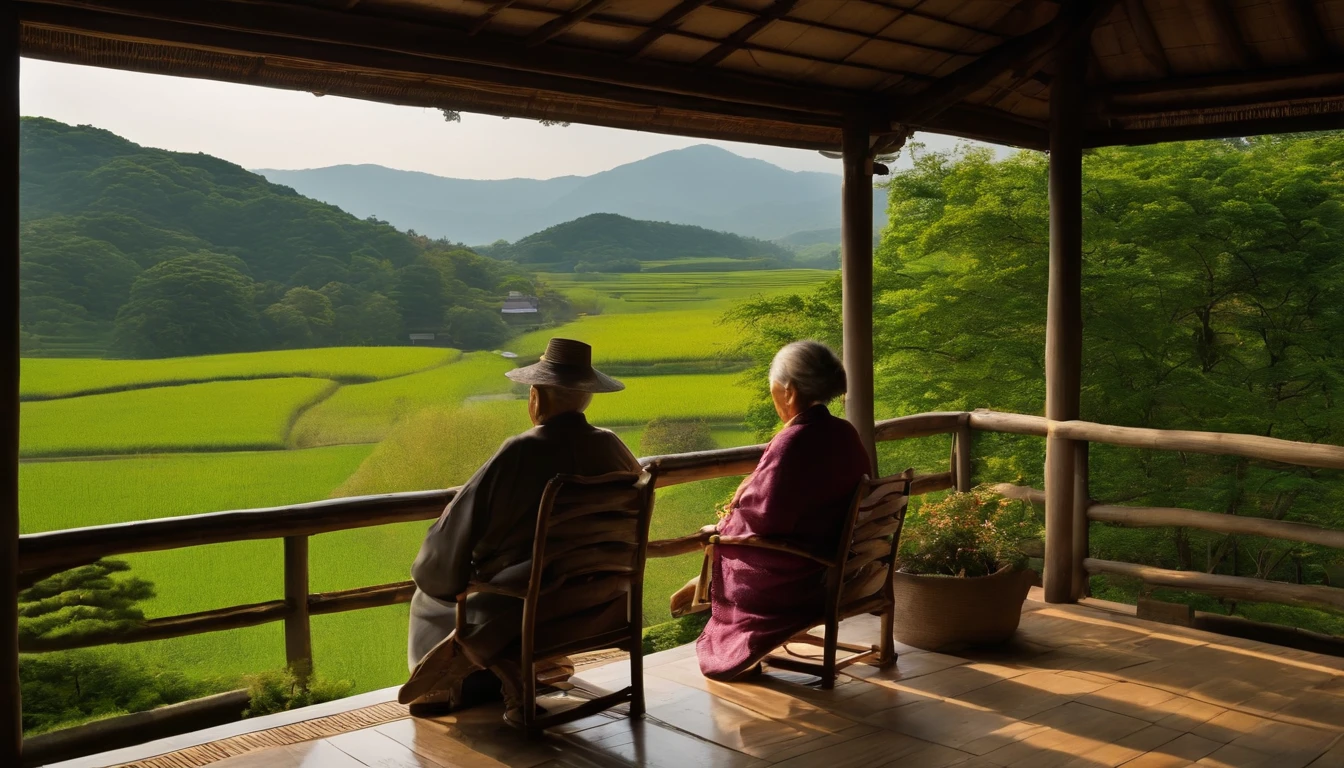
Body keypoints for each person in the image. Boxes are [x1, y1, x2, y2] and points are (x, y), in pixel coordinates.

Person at [399, 338, 640, 714]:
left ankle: (450, 688)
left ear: (536, 396)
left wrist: (441, 568)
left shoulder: (521, 450)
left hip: (533, 602)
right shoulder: (612, 447)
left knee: (431, 592)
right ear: (586, 396)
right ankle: (523, 667)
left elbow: (452, 534)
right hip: (603, 595)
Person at [683, 340, 872, 681]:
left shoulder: (792, 442)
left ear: (788, 391)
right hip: (845, 563)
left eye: (773, 390)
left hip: (804, 576)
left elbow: (764, 516)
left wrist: (720, 530)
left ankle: (735, 643)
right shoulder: (844, 432)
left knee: (721, 549)